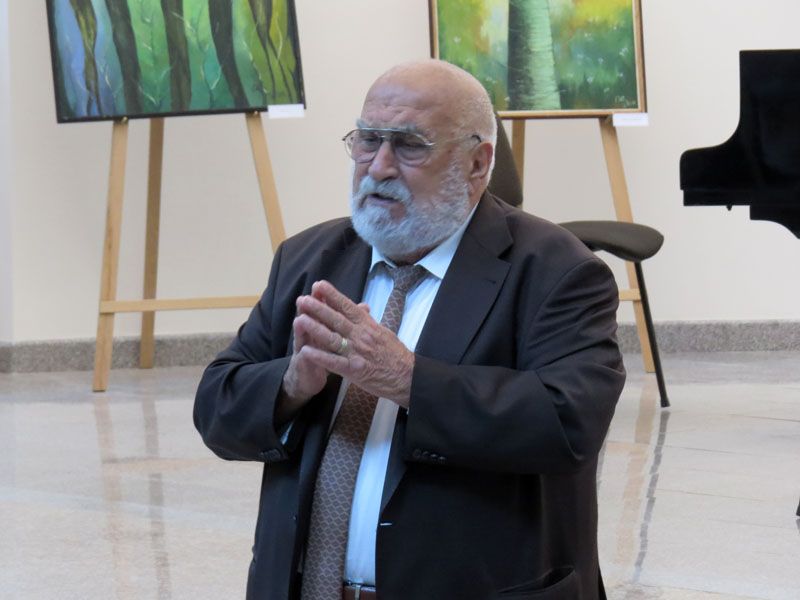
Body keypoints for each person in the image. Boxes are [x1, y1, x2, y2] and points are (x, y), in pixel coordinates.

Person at [194, 59, 625, 600]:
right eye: (368, 140)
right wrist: (289, 385)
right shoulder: (308, 259)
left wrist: (408, 380)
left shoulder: (557, 270)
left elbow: (569, 423)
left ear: (477, 163)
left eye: (409, 145)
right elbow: (216, 407)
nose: (379, 166)